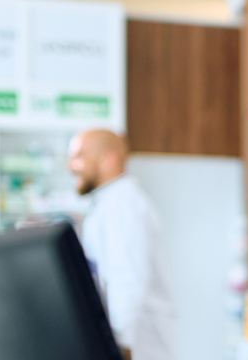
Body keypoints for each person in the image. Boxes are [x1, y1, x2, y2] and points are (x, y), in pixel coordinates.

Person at [68, 129, 176, 360]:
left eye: (80, 156)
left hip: (138, 348)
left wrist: (117, 345)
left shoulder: (122, 204)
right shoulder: (109, 204)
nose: (72, 166)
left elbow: (128, 281)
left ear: (109, 159)